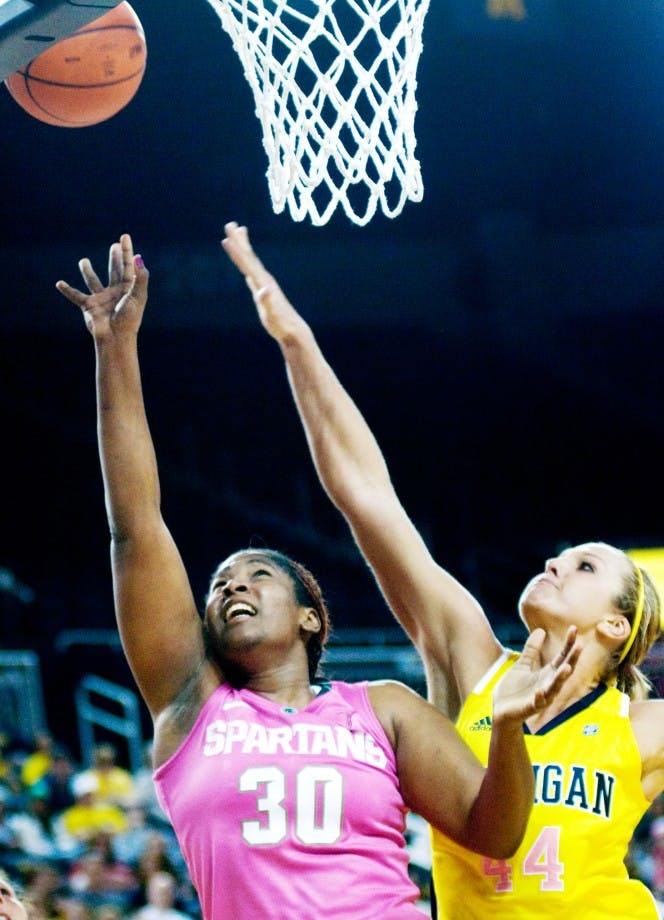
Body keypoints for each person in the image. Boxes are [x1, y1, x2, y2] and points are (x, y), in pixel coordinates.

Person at [55, 234, 580, 920]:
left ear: (310, 616)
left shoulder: (384, 708)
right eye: (220, 585)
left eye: (256, 575)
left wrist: (509, 729)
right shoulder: (193, 706)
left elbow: (495, 833)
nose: (230, 587)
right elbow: (135, 524)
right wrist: (113, 347)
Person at [220, 220, 664, 919]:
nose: (554, 562)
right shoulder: (470, 660)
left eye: (582, 567)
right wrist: (297, 343)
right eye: (562, 555)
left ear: (617, 622)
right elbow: (368, 499)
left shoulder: (642, 726)